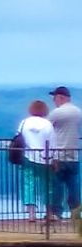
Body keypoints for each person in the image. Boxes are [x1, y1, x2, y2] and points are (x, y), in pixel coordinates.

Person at [17, 100, 57, 219]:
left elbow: (19, 137)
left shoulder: (24, 122)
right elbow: (53, 142)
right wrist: (55, 158)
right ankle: (49, 212)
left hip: (28, 156)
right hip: (45, 158)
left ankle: (31, 213)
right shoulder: (47, 124)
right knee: (47, 185)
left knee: (29, 183)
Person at [51, 85, 82, 222]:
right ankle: (75, 213)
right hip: (74, 154)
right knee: (73, 186)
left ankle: (56, 213)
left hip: (58, 154)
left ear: (60, 97)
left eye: (55, 98)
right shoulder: (78, 112)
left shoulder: (57, 113)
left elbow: (46, 127)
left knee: (57, 185)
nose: (54, 101)